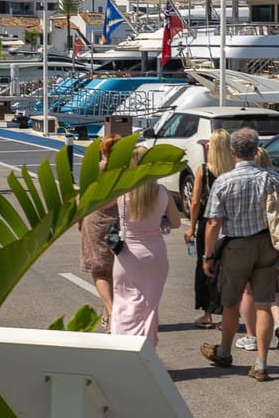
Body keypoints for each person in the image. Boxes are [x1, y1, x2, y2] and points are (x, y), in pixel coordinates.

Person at [200, 128, 279, 382]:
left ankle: (225, 351)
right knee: (263, 304)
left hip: (236, 246)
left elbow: (214, 222)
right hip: (267, 243)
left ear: (232, 152)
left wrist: (208, 255)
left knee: (231, 303)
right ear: (257, 149)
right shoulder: (273, 179)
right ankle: (261, 362)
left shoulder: (224, 181)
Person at [111, 145, 181, 346]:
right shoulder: (162, 192)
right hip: (155, 253)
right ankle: (146, 347)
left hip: (128, 254)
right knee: (149, 307)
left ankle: (122, 345)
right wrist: (158, 221)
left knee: (123, 303)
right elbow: (176, 223)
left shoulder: (122, 191)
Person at [234, 146, 279, 352]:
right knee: (276, 287)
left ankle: (251, 336)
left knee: (248, 291)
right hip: (275, 239)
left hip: (249, 240)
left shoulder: (244, 181)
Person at [184, 128, 235, 329]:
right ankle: (226, 314)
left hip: (208, 222)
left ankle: (207, 314)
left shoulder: (204, 170)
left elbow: (195, 201)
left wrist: (192, 226)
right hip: (230, 223)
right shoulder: (233, 169)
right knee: (227, 269)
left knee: (205, 264)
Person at [79, 134, 121, 331]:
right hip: (118, 218)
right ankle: (108, 313)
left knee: (99, 270)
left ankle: (111, 312)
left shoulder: (97, 169)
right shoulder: (125, 170)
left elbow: (83, 195)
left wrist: (79, 218)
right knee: (114, 270)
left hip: (95, 219)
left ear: (103, 150)